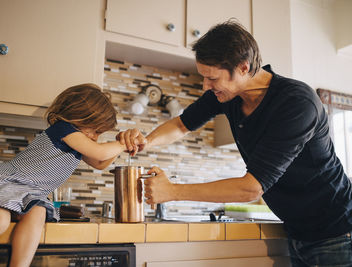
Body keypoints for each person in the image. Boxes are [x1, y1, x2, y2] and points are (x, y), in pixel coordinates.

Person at [117, 20, 352, 266]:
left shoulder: (296, 103)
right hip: (298, 231)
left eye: (211, 78)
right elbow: (181, 124)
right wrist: (146, 141)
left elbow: (250, 188)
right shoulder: (228, 95)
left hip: (337, 231)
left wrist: (173, 191)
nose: (205, 85)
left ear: (243, 68)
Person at [0, 84, 141, 267]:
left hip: (29, 193)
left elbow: (100, 163)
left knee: (38, 212)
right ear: (79, 116)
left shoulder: (79, 142)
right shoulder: (64, 129)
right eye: (96, 131)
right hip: (9, 183)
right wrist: (125, 144)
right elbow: (99, 152)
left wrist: (121, 142)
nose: (95, 138)